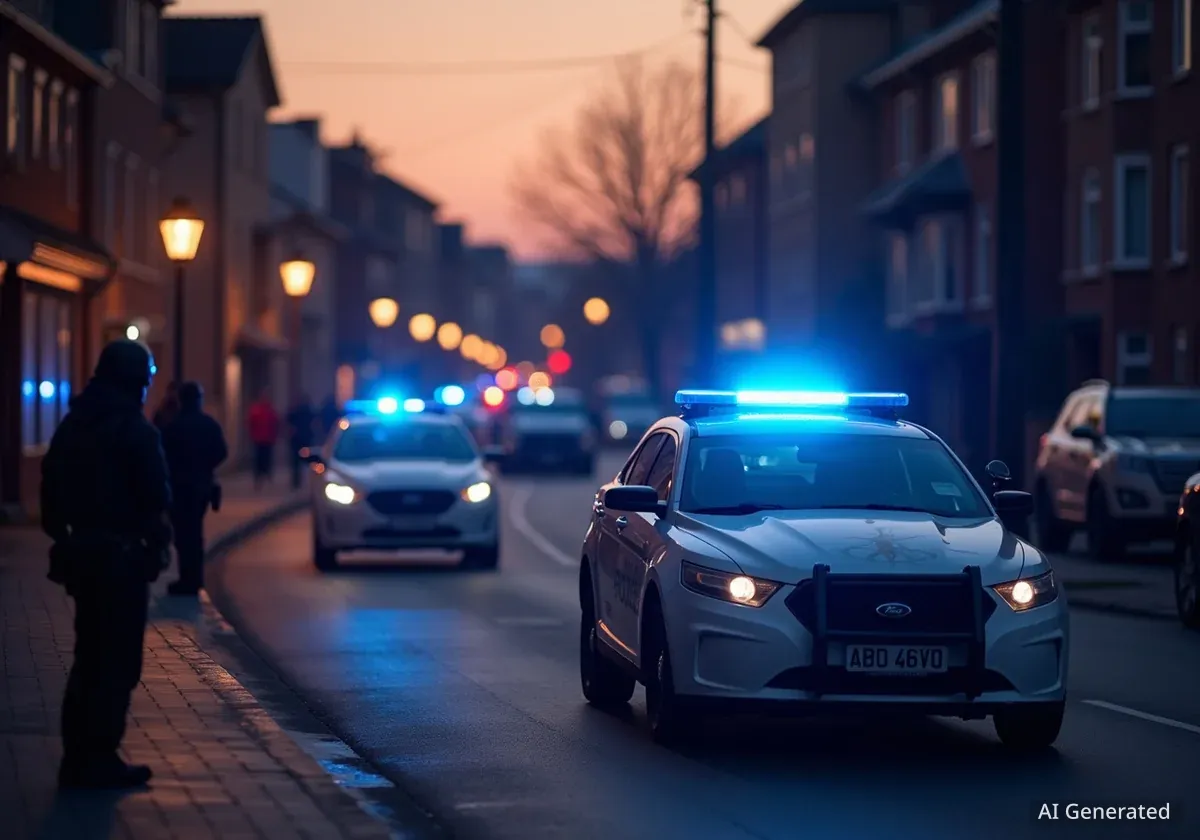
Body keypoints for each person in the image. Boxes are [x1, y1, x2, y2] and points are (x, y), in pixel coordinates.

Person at [40, 339, 172, 790]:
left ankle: (77, 757)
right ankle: (98, 758)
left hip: (81, 558)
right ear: (137, 381)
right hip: (121, 560)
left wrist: (67, 536)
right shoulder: (135, 431)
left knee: (87, 657)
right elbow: (156, 499)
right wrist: (156, 545)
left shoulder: (74, 424)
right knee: (116, 662)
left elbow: (50, 497)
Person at [160, 382, 228, 595]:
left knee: (183, 535)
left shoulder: (173, 426)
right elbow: (221, 452)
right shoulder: (209, 425)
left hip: (179, 489)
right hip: (201, 488)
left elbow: (162, 456)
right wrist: (205, 467)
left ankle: (187, 578)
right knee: (195, 533)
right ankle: (195, 578)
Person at [247, 390, 280, 489]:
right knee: (258, 461)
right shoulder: (256, 410)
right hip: (258, 439)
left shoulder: (270, 410)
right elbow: (251, 424)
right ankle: (258, 479)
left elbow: (276, 424)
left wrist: (274, 436)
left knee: (267, 459)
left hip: (267, 439)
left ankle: (266, 476)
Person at [286, 395, 316, 489]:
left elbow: (288, 421)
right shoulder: (308, 412)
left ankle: (296, 482)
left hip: (297, 440)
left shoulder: (295, 412)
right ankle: (305, 482)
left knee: (296, 463)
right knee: (307, 462)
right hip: (305, 439)